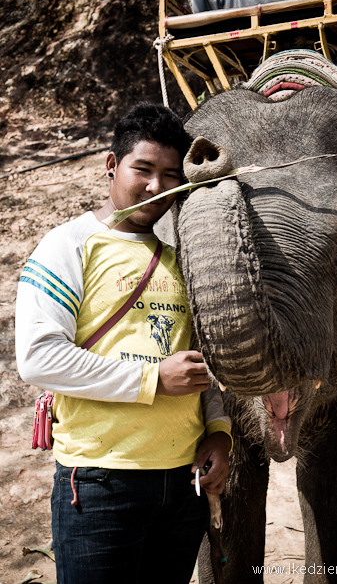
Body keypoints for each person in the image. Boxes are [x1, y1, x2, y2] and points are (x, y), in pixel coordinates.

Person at [15, 103, 232, 584]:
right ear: (111, 167)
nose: (157, 187)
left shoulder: (181, 261)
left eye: (172, 175)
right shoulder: (68, 245)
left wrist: (219, 430)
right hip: (99, 484)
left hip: (184, 484)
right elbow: (37, 357)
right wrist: (153, 379)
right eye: (144, 169)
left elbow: (201, 365)